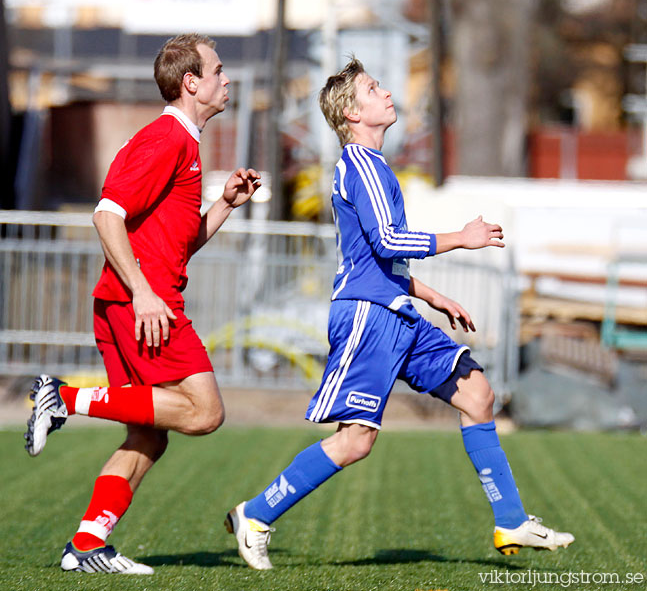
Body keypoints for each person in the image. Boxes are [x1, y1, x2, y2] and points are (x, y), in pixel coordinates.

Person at [224, 57, 574, 570]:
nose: (386, 93)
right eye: (373, 88)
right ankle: (254, 515)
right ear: (351, 112)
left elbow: (377, 255)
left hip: (396, 311)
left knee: (478, 394)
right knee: (356, 441)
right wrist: (461, 237)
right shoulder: (359, 164)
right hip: (367, 318)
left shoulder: (376, 165)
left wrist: (430, 295)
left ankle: (510, 520)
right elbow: (388, 240)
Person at [24, 33, 261, 575]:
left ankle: (87, 546)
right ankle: (61, 399)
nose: (228, 79)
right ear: (191, 83)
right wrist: (145, 293)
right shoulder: (168, 140)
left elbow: (177, 243)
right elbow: (106, 215)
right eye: (219, 70)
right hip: (143, 306)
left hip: (129, 303)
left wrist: (223, 204)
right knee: (205, 413)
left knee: (149, 436)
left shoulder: (184, 144)